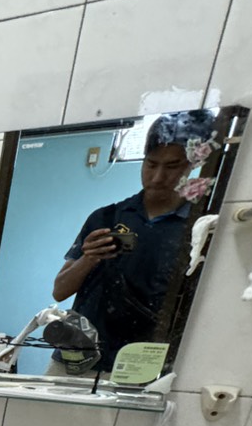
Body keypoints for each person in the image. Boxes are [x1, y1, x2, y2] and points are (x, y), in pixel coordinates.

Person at [50, 112, 211, 372]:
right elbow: (59, 291)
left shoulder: (200, 228)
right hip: (77, 359)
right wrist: (89, 258)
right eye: (151, 164)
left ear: (193, 165)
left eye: (172, 166)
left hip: (145, 364)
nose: (157, 177)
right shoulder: (106, 218)